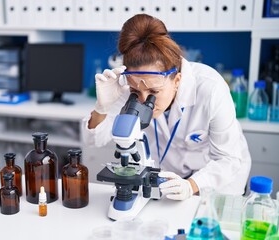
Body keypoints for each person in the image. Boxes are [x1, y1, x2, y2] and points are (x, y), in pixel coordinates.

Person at [81, 14, 251, 201]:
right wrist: (102, 107)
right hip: (167, 180)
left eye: (154, 91)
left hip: (213, 182)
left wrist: (192, 185)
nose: (144, 100)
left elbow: (229, 160)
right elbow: (93, 141)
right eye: (135, 90)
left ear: (176, 80)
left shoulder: (211, 89)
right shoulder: (128, 87)